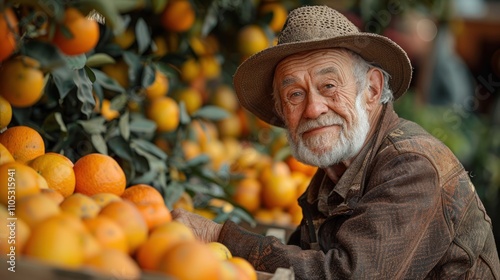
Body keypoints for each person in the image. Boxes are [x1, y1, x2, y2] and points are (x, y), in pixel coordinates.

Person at [172, 5, 500, 279]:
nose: (313, 109)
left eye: (329, 85)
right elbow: (299, 259)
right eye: (295, 94)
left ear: (371, 90)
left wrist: (220, 236)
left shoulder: (412, 166)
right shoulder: (332, 175)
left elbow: (348, 275)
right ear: (282, 113)